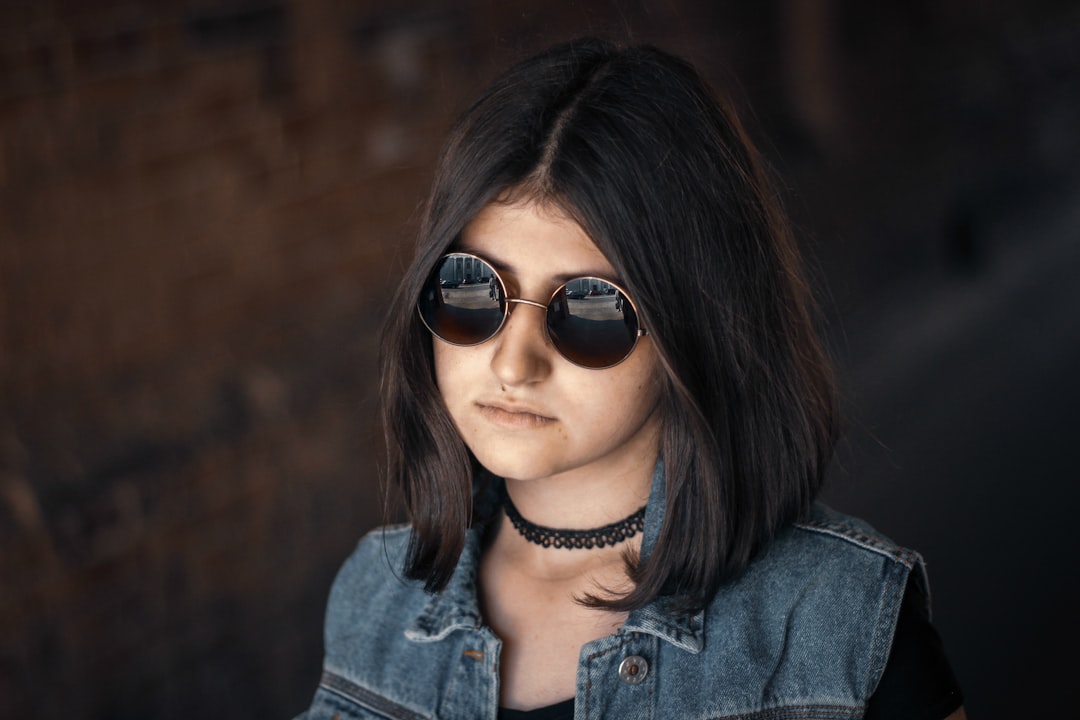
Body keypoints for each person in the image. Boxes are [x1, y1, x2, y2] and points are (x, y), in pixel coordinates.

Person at [300, 38, 965, 720]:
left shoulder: (842, 622)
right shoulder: (375, 599)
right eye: (473, 292)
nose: (513, 363)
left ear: (696, 323)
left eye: (590, 308)